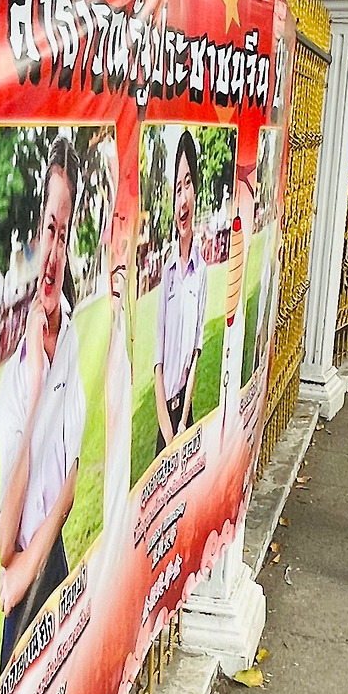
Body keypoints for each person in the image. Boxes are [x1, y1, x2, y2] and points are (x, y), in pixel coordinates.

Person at [0, 139, 86, 673]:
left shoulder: (69, 337)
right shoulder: (12, 378)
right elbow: (3, 540)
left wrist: (28, 568)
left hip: (53, 572)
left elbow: (70, 486)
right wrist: (33, 396)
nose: (54, 253)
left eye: (64, 234)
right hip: (24, 607)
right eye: (49, 229)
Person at [153, 129, 208, 454]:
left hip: (186, 417)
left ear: (196, 191)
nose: (183, 198)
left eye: (188, 184)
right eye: (177, 188)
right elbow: (157, 364)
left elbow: (196, 353)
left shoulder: (201, 272)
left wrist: (184, 421)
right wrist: (169, 434)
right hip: (166, 427)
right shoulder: (166, 271)